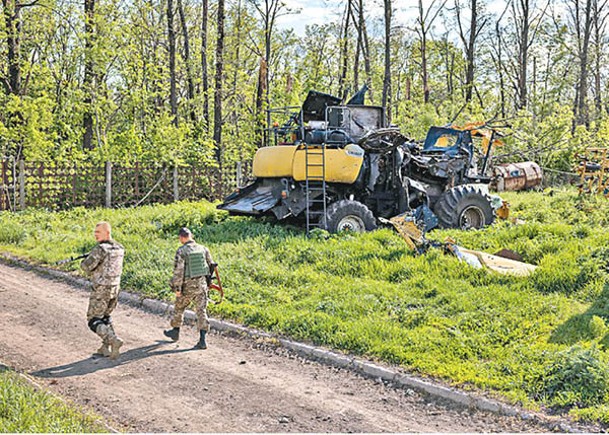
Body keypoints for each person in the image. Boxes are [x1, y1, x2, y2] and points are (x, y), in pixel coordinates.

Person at [164, 227, 216, 349]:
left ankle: (175, 331)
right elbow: (211, 265)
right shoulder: (203, 248)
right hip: (201, 286)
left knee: (179, 307)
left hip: (187, 287)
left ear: (181, 237)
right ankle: (202, 340)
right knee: (201, 311)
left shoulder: (182, 251)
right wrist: (207, 283)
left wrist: (177, 289)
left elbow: (178, 272)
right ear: (191, 236)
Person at [81, 221, 125, 360]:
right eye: (95, 232)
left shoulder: (100, 249)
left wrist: (85, 261)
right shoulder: (119, 247)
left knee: (93, 319)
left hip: (101, 289)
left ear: (107, 232)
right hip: (115, 287)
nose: (95, 235)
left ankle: (113, 339)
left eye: (98, 232)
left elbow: (87, 267)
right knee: (105, 317)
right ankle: (106, 347)